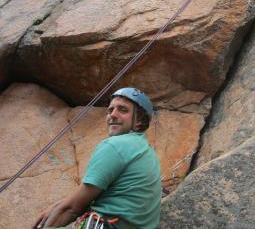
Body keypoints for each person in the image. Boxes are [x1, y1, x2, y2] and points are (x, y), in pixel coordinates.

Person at [32, 87, 161, 229]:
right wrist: (58, 206)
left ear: (139, 122)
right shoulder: (146, 150)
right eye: (110, 110)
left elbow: (72, 209)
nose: (113, 115)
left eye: (123, 110)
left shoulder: (116, 145)